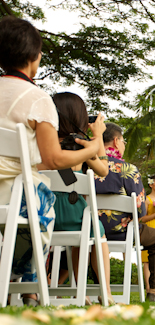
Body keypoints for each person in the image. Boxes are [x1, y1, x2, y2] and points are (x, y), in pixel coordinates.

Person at [0, 16, 102, 305]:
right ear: (34, 57)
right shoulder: (37, 98)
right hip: (16, 194)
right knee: (40, 212)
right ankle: (23, 281)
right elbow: (54, 158)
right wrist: (91, 148)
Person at [47, 92, 114, 305]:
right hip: (73, 212)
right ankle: (105, 292)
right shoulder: (80, 143)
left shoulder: (42, 141)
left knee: (85, 231)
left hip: (43, 211)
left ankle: (80, 292)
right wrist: (98, 138)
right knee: (96, 235)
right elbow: (103, 170)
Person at [95, 123, 155, 303]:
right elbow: (141, 210)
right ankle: (154, 292)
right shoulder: (129, 169)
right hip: (122, 231)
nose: (124, 145)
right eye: (124, 141)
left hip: (91, 231)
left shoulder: (85, 165)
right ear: (115, 141)